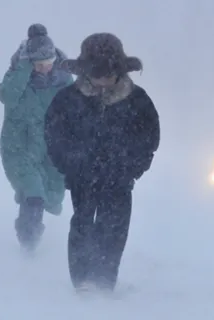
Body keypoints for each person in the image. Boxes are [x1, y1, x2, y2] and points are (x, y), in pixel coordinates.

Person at [44, 33, 160, 292]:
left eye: (108, 76)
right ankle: (82, 281)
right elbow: (54, 134)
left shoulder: (137, 100)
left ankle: (105, 280)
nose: (103, 82)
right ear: (85, 73)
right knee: (83, 224)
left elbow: (149, 137)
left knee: (114, 227)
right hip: (82, 175)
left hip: (120, 177)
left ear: (119, 72)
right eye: (97, 75)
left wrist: (133, 167)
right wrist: (68, 164)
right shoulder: (68, 99)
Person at [0, 23, 73, 252]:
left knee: (50, 192)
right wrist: (22, 69)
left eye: (47, 64)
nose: (43, 69)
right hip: (19, 147)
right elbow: (6, 96)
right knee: (33, 193)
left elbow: (74, 108)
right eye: (38, 64)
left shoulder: (63, 80)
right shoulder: (17, 78)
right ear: (29, 62)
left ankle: (29, 233)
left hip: (50, 148)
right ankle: (28, 245)